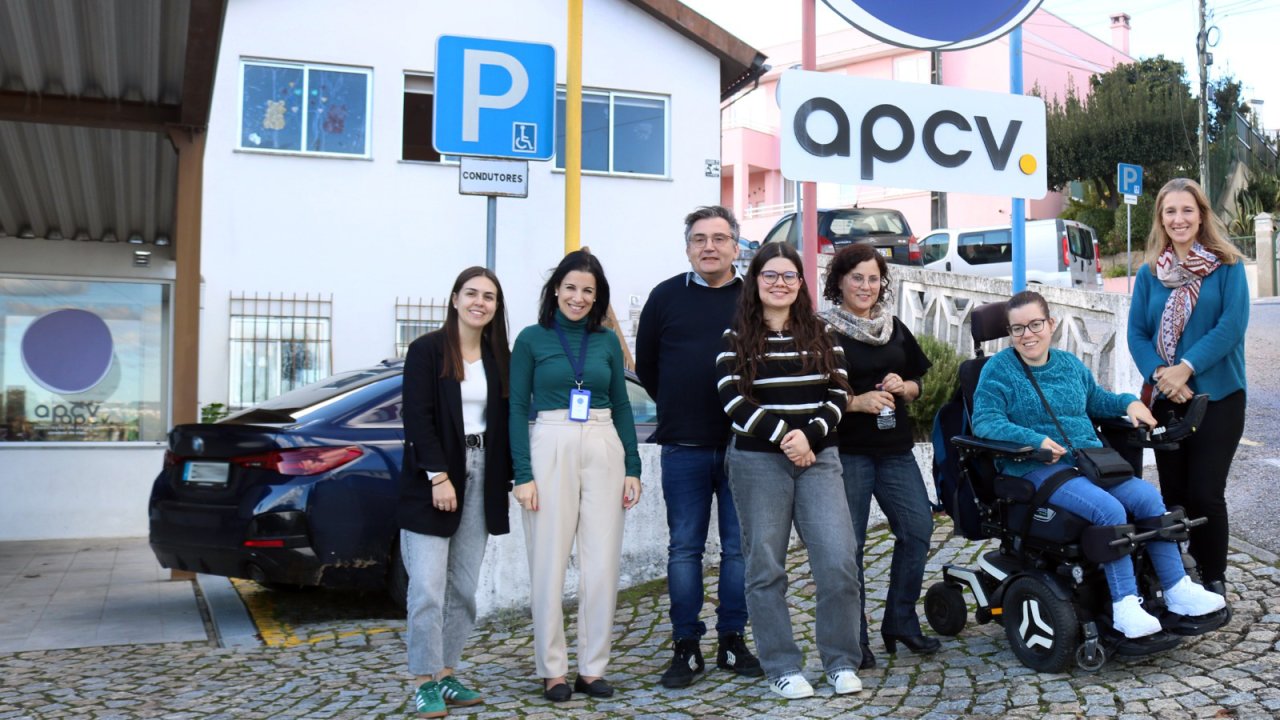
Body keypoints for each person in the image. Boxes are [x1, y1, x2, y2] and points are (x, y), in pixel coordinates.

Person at [973, 290, 1226, 639]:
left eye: (1034, 325)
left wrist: (1129, 403)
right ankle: (1125, 606)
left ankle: (1177, 590)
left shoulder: (1069, 364)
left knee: (1149, 499)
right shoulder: (998, 370)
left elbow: (1097, 400)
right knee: (1109, 510)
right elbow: (985, 422)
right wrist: (1034, 441)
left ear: (1051, 324)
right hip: (1035, 468)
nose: (1026, 335)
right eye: (1017, 329)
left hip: (1089, 461)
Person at [715, 241, 863, 700]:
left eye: (789, 276)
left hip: (818, 460)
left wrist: (810, 437)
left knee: (839, 562)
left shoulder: (821, 332)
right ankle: (780, 665)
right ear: (755, 281)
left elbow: (840, 391)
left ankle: (840, 662)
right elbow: (732, 399)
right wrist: (784, 435)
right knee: (765, 567)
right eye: (770, 276)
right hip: (758, 462)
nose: (780, 284)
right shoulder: (735, 336)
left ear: (801, 284)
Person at [635, 205, 761, 688]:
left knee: (738, 550)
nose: (709, 246)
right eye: (699, 239)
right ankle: (685, 646)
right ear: (687, 246)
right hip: (684, 445)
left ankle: (732, 640)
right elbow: (648, 367)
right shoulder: (665, 296)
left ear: (735, 246)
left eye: (720, 238)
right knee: (683, 549)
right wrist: (678, 400)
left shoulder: (754, 296)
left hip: (744, 446)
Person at [509, 250, 643, 702]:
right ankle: (553, 670)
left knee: (601, 563)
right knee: (547, 560)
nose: (578, 297)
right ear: (555, 290)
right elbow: (514, 407)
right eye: (571, 288)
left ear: (597, 296)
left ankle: (592, 668)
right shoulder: (531, 339)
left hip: (604, 440)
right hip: (550, 441)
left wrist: (633, 467)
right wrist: (522, 474)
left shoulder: (605, 341)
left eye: (588, 290)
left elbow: (622, 405)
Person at [398, 267, 513, 718]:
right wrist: (438, 476)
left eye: (489, 296)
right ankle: (422, 680)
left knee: (463, 588)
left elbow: (505, 422)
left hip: (483, 473)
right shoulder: (426, 351)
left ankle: (446, 673)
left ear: (496, 307)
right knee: (427, 587)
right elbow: (417, 418)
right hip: (436, 476)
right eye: (471, 293)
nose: (479, 302)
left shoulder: (497, 356)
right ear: (454, 299)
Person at [1127, 177, 1249, 592]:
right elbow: (1137, 335)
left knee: (1206, 493)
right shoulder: (1150, 274)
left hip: (1220, 396)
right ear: (1161, 219)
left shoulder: (1227, 266)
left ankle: (1213, 578)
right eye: (1170, 211)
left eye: (1187, 210)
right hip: (1167, 399)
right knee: (1174, 494)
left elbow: (1231, 326)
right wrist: (1163, 375)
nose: (1179, 219)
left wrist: (1186, 367)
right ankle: (1177, 578)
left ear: (1201, 216)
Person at [819, 243, 937, 669]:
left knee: (919, 529)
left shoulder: (893, 327)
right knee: (849, 547)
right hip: (847, 453)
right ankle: (855, 638)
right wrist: (855, 402)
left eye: (873, 278)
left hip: (895, 450)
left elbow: (918, 382)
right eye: (857, 278)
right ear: (839, 281)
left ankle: (900, 620)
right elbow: (811, 395)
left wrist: (905, 388)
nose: (866, 286)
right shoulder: (822, 330)